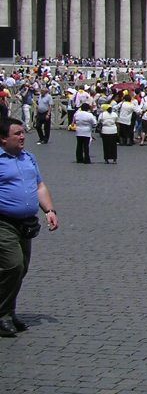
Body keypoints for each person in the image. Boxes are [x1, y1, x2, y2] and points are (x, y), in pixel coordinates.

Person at [0, 118, 59, 337]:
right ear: (3, 138)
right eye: (17, 133)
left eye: (23, 132)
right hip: (3, 222)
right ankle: (2, 315)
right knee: (12, 266)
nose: (23, 136)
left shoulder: (29, 158)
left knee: (21, 268)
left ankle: (8, 311)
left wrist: (50, 210)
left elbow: (39, 186)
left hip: (25, 224)